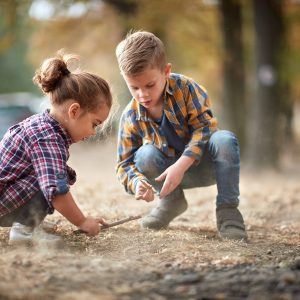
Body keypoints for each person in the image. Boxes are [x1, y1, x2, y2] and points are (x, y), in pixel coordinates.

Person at [115, 31, 247, 240]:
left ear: (166, 71)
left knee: (224, 139)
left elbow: (205, 128)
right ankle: (171, 202)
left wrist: (180, 166)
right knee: (145, 155)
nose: (143, 94)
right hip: (166, 179)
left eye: (150, 85)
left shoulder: (186, 89)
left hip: (205, 167)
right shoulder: (131, 115)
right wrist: (137, 182)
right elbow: (125, 164)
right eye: (134, 88)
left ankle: (228, 212)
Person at [0, 51, 113, 246]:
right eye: (94, 124)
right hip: (4, 202)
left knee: (50, 175)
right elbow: (57, 191)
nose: (93, 132)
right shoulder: (47, 137)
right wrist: (82, 221)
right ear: (74, 111)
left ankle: (30, 222)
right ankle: (24, 231)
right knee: (52, 180)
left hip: (8, 197)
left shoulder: (43, 126)